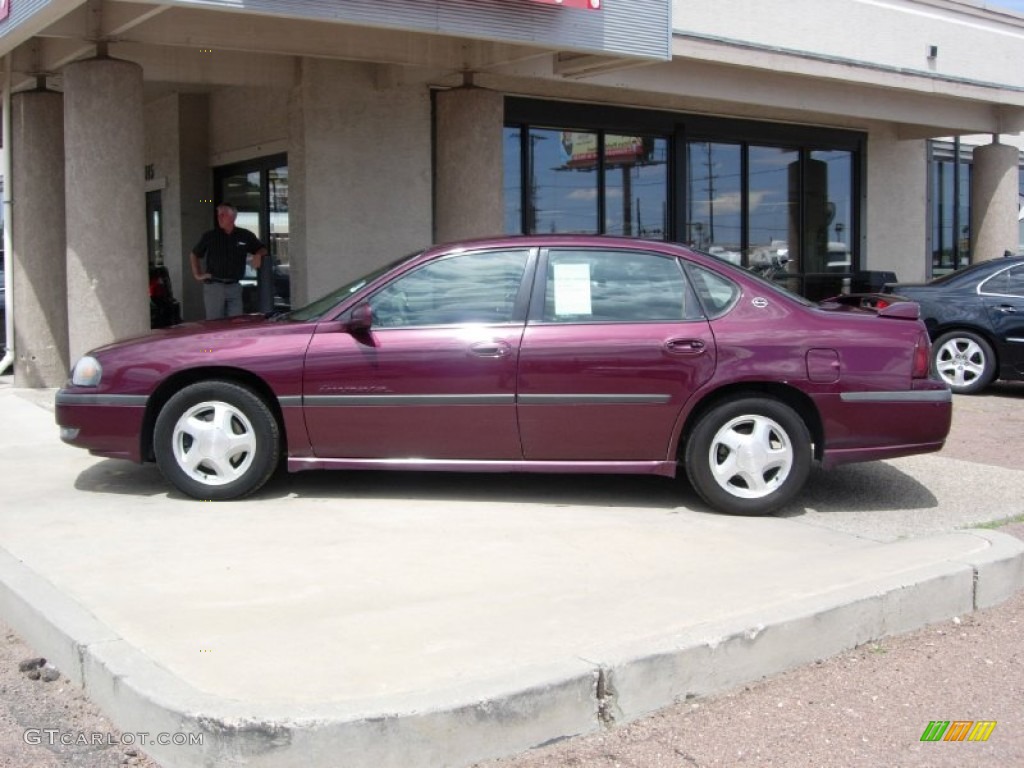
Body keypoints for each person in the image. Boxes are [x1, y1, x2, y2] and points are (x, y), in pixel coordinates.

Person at [189, 203, 268, 319]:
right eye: (218, 215)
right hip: (214, 285)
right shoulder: (210, 236)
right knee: (214, 323)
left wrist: (257, 255)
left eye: (223, 215)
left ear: (233, 217)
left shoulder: (244, 235)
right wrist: (197, 275)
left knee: (236, 322)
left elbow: (263, 249)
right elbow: (194, 254)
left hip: (234, 286)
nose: (219, 218)